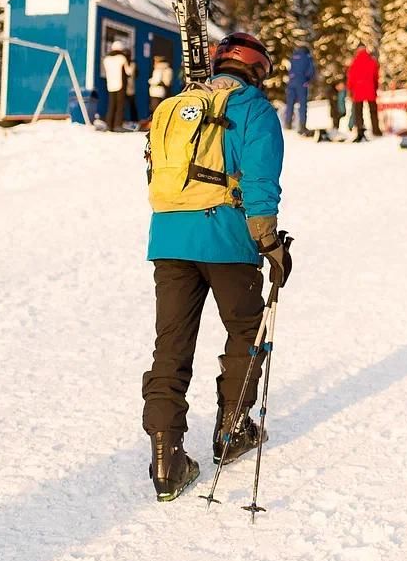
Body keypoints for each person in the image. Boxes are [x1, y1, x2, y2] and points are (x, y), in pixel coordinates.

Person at [142, 31, 291, 502]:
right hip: (225, 237)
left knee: (171, 344)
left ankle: (167, 462)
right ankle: (232, 429)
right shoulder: (253, 109)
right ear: (256, 69)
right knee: (247, 328)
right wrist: (270, 245)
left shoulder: (176, 106)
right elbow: (260, 180)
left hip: (168, 238)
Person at [346, 45, 382, 142]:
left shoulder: (354, 63)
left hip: (358, 91)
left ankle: (360, 130)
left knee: (358, 112)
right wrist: (376, 88)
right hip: (370, 90)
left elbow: (350, 78)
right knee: (373, 111)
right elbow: (376, 77)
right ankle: (376, 130)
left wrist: (350, 90)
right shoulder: (372, 61)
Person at [284, 46, 315, 135]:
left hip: (291, 82)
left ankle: (288, 123)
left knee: (290, 104)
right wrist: (307, 80)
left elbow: (290, 69)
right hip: (302, 82)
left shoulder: (293, 56)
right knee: (302, 105)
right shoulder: (307, 57)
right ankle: (302, 125)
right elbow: (311, 70)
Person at [103, 40, 132, 132]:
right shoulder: (122, 57)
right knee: (120, 105)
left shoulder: (106, 59)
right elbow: (129, 71)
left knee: (111, 105)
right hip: (120, 84)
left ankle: (109, 125)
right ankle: (117, 125)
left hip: (110, 84)